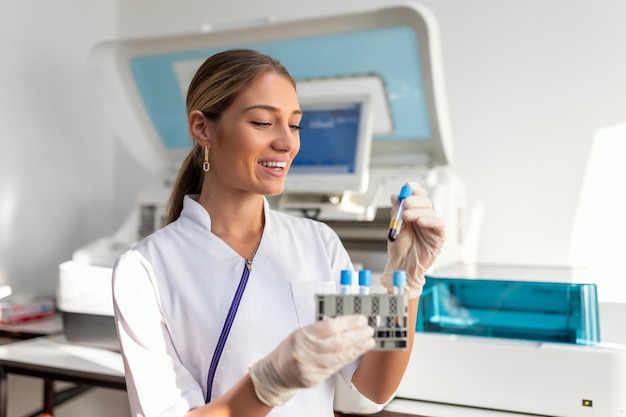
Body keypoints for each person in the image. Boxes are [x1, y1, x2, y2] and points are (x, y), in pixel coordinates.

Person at [112, 48, 445, 417]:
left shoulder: (319, 242)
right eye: (262, 122)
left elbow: (368, 392)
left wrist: (404, 286)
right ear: (202, 128)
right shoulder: (144, 269)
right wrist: (267, 385)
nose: (287, 142)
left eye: (295, 124)